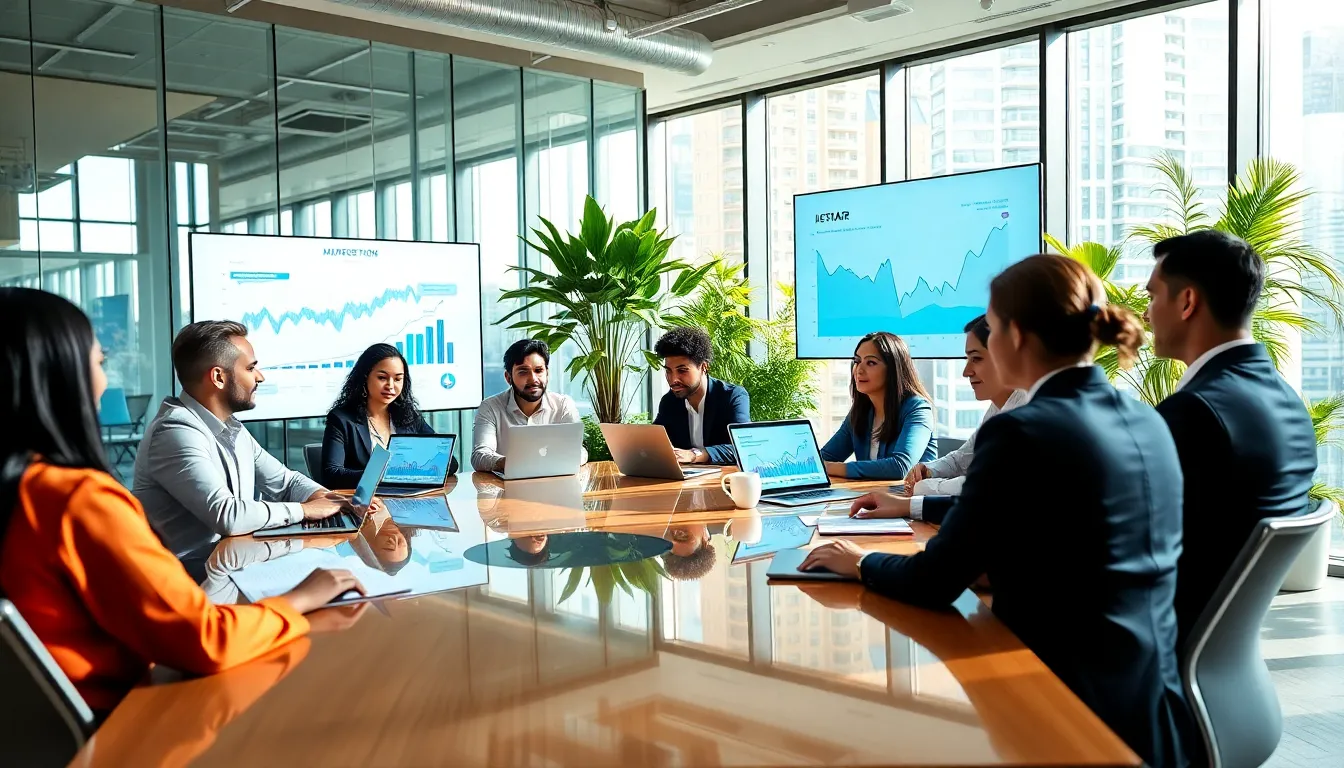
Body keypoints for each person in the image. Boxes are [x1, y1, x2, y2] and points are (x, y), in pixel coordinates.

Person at [801, 255, 1195, 768]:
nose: (973, 358)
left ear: (1017, 336)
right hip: (1153, 709)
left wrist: (859, 561)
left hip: (1059, 709)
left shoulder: (1022, 431)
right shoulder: (1147, 420)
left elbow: (935, 579)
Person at [0, 288, 366, 713]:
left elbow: (282, 479)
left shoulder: (26, 487)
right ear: (60, 374)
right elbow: (205, 639)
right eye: (99, 361)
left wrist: (320, 498)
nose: (105, 378)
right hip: (122, 717)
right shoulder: (78, 498)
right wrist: (303, 597)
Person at [1144, 230, 1317, 647]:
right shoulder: (1287, 400)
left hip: (1160, 645)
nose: (1146, 314)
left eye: (1153, 297)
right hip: (1221, 646)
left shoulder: (1195, 412)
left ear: (1187, 302)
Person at [133, 321, 348, 560]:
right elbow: (227, 515)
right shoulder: (175, 430)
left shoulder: (231, 427)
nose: (260, 377)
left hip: (229, 564)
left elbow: (285, 482)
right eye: (250, 368)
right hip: (186, 577)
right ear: (218, 377)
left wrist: (329, 499)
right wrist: (305, 510)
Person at [888, 316, 1029, 523]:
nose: (966, 371)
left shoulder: (1025, 414)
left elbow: (981, 485)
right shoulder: (998, 408)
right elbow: (965, 457)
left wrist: (923, 487)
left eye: (976, 358)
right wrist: (929, 470)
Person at [321, 343, 458, 489]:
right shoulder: (341, 419)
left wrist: (407, 473)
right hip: (366, 505)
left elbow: (450, 463)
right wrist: (384, 475)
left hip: (408, 503)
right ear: (365, 377)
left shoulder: (409, 416)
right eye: (382, 378)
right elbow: (332, 475)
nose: (391, 386)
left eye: (398, 379)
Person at [819, 331, 936, 480]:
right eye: (857, 361)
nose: (859, 370)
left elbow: (900, 467)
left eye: (871, 363)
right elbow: (825, 457)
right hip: (869, 496)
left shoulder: (917, 409)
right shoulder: (861, 411)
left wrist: (829, 467)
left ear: (894, 369)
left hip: (909, 500)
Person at [471, 338, 587, 473]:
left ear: (547, 373)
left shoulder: (563, 405)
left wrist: (551, 462)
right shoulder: (490, 407)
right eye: (523, 372)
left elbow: (579, 451)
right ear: (508, 378)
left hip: (555, 486)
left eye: (538, 370)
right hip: (506, 489)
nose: (533, 379)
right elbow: (479, 455)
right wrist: (512, 463)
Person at [651, 327, 750, 464]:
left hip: (723, 480)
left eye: (682, 371)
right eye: (668, 371)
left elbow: (742, 447)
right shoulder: (670, 401)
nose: (673, 379)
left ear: (703, 367)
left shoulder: (732, 396)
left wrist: (694, 455)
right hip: (683, 480)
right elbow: (656, 441)